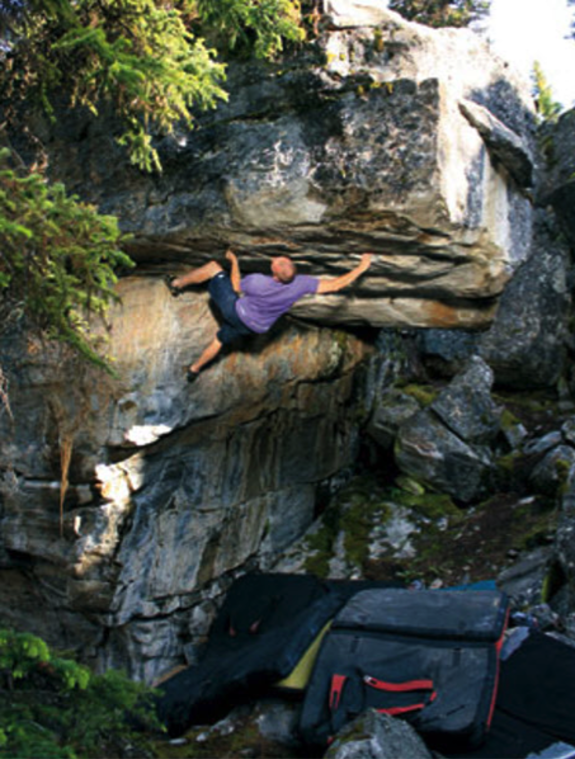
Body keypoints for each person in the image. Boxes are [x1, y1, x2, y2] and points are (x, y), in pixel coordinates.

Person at [166, 249, 373, 382]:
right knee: (220, 340)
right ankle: (194, 370)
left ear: (274, 273)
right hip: (255, 327)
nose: (277, 258)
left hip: (235, 310)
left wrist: (234, 261)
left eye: (278, 261)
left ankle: (176, 284)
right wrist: (362, 267)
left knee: (214, 268)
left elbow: (236, 285)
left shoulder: (258, 281)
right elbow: (336, 285)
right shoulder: (302, 283)